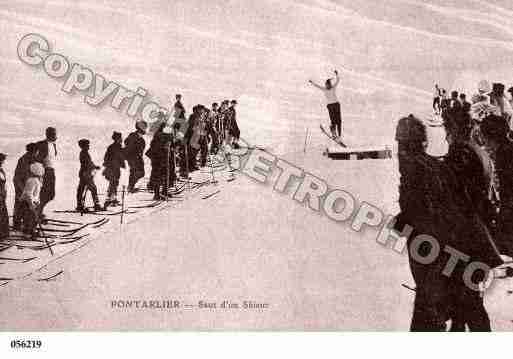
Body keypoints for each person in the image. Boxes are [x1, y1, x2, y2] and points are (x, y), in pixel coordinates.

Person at [444, 116, 503, 331]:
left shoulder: (459, 155)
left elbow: (457, 194)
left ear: (452, 131)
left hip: (463, 235)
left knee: (468, 299)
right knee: (469, 295)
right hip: (479, 233)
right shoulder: (481, 153)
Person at [480, 114, 513, 257]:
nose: (484, 142)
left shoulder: (503, 155)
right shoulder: (508, 147)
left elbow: (508, 193)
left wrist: (501, 220)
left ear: (490, 137)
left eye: (484, 138)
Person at [146, 121, 176, 200]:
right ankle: (158, 193)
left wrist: (171, 147)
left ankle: (162, 192)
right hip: (159, 158)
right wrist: (166, 147)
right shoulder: (159, 135)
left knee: (164, 174)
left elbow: (172, 145)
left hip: (163, 158)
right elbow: (155, 147)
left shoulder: (167, 135)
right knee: (161, 175)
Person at [309, 70, 342, 138]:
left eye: (328, 84)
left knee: (338, 120)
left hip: (336, 105)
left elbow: (338, 80)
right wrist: (312, 82)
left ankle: (339, 135)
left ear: (330, 84)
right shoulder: (325, 89)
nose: (327, 86)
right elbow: (317, 86)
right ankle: (334, 133)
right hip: (331, 106)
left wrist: (337, 74)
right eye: (326, 85)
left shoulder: (333, 87)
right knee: (333, 120)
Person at [12, 143, 37, 230]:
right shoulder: (23, 160)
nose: (36, 153)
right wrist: (23, 189)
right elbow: (18, 177)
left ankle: (25, 222)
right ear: (32, 151)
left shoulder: (32, 158)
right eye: (35, 152)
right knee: (20, 202)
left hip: (26, 184)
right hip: (19, 183)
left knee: (26, 203)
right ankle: (17, 222)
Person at [35, 127, 58, 218]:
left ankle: (38, 210)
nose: (56, 136)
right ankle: (38, 212)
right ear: (48, 134)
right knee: (43, 193)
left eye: (55, 134)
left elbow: (52, 158)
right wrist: (40, 171)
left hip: (51, 171)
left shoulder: (54, 145)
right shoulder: (41, 144)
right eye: (54, 134)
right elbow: (36, 158)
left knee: (51, 195)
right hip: (44, 171)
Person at [76, 139, 102, 212]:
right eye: (87, 145)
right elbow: (88, 164)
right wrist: (94, 167)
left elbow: (90, 163)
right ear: (83, 146)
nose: (88, 146)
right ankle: (96, 205)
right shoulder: (84, 153)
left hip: (84, 173)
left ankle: (80, 205)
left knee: (81, 189)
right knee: (92, 188)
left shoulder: (84, 153)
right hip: (86, 174)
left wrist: (94, 166)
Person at [19, 162, 44, 237]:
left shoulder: (37, 180)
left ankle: (32, 230)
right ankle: (27, 232)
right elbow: (28, 194)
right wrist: (31, 204)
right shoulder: (32, 181)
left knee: (34, 218)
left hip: (33, 202)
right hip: (27, 202)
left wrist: (37, 201)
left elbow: (36, 194)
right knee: (29, 218)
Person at [103, 132, 125, 209]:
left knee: (114, 183)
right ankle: (109, 199)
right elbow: (120, 156)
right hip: (113, 168)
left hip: (114, 168)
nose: (122, 139)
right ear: (117, 139)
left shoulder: (113, 146)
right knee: (113, 183)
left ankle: (113, 199)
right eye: (120, 138)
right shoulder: (116, 147)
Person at [124, 121, 147, 193]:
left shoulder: (141, 139)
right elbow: (127, 143)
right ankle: (130, 187)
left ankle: (131, 186)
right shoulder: (132, 136)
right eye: (144, 127)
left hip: (138, 157)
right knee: (134, 171)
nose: (145, 129)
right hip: (132, 157)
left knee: (141, 173)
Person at [0, 153, 8, 240]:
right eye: (2, 160)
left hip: (2, 194)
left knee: (3, 213)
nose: (3, 162)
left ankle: (3, 233)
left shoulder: (1, 170)